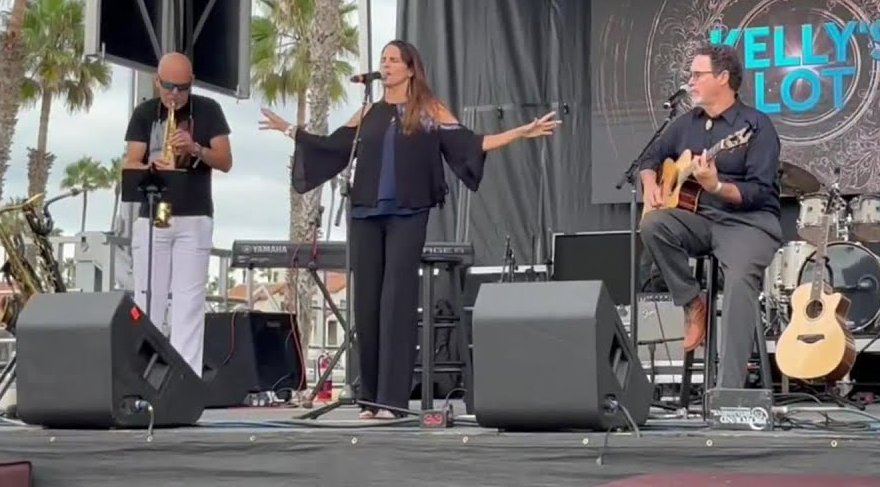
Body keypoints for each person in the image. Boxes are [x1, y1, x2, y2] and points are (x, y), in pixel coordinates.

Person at [258, 40, 560, 419]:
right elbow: (334, 146)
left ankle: (392, 402)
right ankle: (370, 398)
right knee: (366, 305)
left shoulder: (429, 110)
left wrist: (520, 133)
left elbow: (472, 143)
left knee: (396, 302)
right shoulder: (368, 111)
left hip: (408, 213)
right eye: (382, 59)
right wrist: (290, 130)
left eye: (393, 60)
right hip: (365, 213)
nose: (385, 65)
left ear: (410, 69)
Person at [637, 43, 782, 390]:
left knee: (738, 285)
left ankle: (729, 392)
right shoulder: (685, 124)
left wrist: (716, 185)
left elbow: (760, 192)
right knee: (653, 223)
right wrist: (650, 184)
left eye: (697, 75)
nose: (691, 82)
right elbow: (648, 159)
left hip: (749, 222)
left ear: (723, 78)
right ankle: (692, 302)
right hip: (700, 219)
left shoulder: (755, 127)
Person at [122, 52, 233, 374]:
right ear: (157, 82)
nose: (174, 95)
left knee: (189, 303)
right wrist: (151, 166)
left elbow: (225, 161)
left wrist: (195, 148)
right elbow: (130, 162)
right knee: (148, 298)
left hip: (194, 214)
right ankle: (144, 374)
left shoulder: (208, 110)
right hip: (156, 213)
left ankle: (186, 379)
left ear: (192, 83)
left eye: (182, 88)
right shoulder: (144, 112)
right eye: (169, 87)